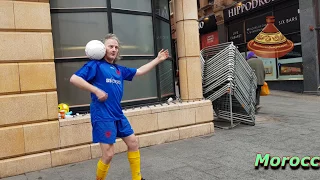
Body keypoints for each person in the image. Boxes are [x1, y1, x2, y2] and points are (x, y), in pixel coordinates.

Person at [70, 33, 169, 180]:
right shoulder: (95, 65)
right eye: (110, 46)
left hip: (117, 114)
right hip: (102, 115)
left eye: (116, 47)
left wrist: (158, 59)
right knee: (108, 154)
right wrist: (96, 90)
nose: (114, 49)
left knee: (133, 143)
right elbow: (74, 79)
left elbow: (139, 71)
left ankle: (137, 178)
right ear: (103, 49)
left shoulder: (119, 69)